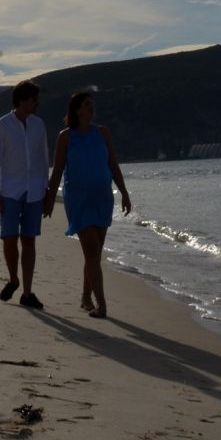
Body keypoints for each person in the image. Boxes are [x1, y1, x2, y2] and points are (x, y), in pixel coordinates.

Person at [43, 90, 131, 318]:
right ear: (76, 109)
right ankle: (102, 305)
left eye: (93, 105)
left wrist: (124, 192)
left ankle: (85, 297)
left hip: (102, 197)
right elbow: (58, 169)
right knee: (92, 252)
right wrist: (50, 198)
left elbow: (113, 164)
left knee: (94, 254)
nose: (91, 109)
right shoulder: (66, 136)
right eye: (87, 105)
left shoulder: (102, 133)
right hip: (78, 200)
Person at [0, 79, 49, 310]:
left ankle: (27, 292)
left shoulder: (38, 125)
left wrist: (47, 189)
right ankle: (13, 279)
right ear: (22, 100)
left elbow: (44, 157)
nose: (37, 103)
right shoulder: (1, 125)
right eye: (34, 99)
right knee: (10, 237)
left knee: (30, 239)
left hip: (34, 190)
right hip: (9, 189)